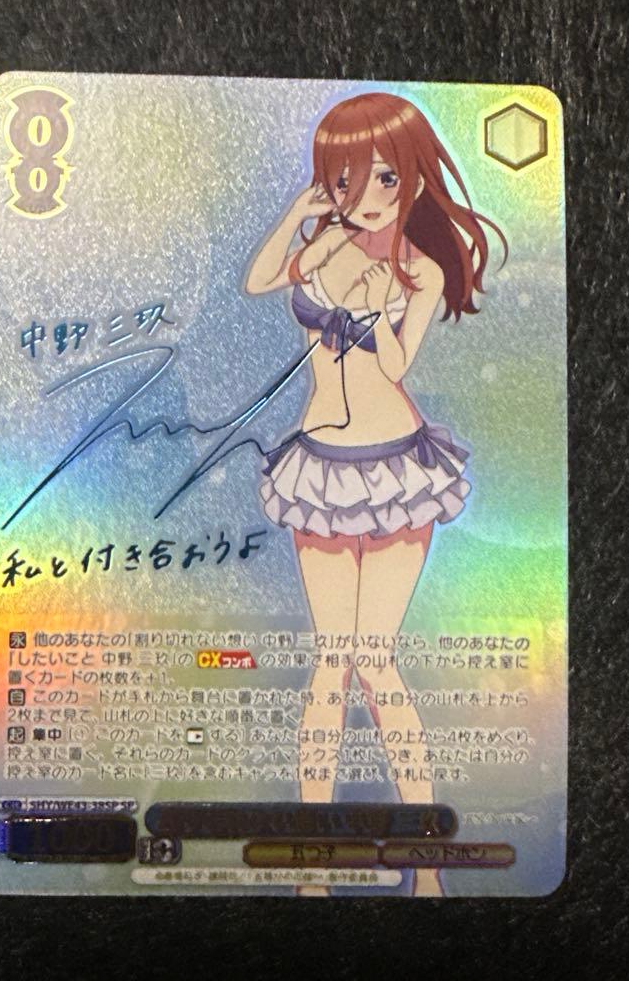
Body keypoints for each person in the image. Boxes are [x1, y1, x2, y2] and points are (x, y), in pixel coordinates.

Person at [244, 92, 506, 896]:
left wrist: (372, 300)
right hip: (321, 464)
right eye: (345, 179)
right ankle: (313, 865)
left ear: (413, 179)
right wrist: (300, 216)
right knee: (333, 663)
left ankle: (426, 866)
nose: (365, 195)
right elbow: (259, 280)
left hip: (395, 468)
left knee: (376, 663)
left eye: (384, 177)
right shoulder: (322, 242)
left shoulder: (420, 270)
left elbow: (394, 367)